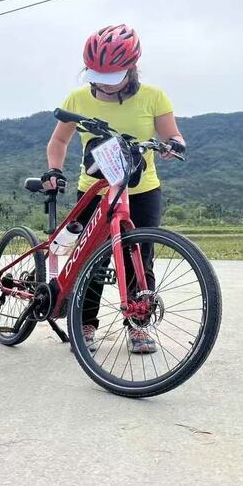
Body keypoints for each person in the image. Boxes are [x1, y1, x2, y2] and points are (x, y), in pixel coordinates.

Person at [42, 24, 186, 354]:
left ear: (131, 70)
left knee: (140, 257)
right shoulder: (77, 98)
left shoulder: (154, 97)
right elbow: (59, 140)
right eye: (96, 77)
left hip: (141, 190)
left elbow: (174, 135)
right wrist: (53, 169)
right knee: (92, 259)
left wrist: (173, 146)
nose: (102, 86)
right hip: (94, 189)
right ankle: (85, 324)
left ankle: (138, 324)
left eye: (111, 78)